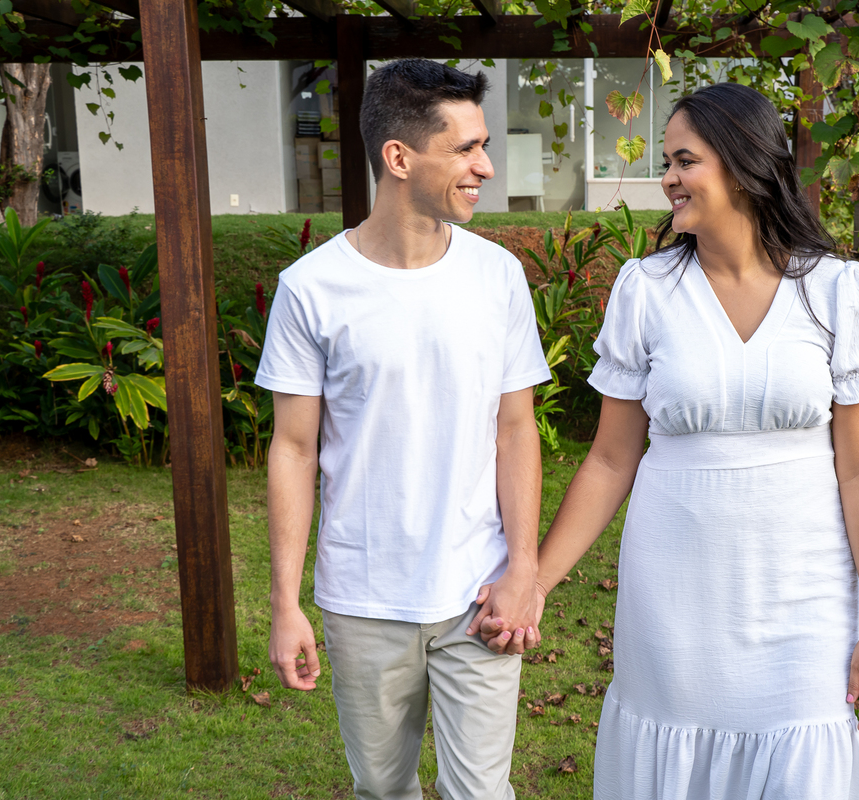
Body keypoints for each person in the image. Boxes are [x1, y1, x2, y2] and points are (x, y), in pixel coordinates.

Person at [522, 82, 859, 798]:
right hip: (675, 599)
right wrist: (536, 584)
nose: (668, 178)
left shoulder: (835, 291)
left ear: (743, 162)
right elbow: (608, 459)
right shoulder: (646, 289)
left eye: (684, 160)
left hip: (806, 596)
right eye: (667, 161)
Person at [256, 59, 551, 800]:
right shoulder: (310, 290)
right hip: (363, 596)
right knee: (383, 790)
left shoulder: (498, 276)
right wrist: (285, 605)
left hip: (477, 590)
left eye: (482, 146)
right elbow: (292, 448)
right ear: (399, 157)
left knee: (482, 793)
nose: (484, 165)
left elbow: (516, 431)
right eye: (465, 149)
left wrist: (524, 570)